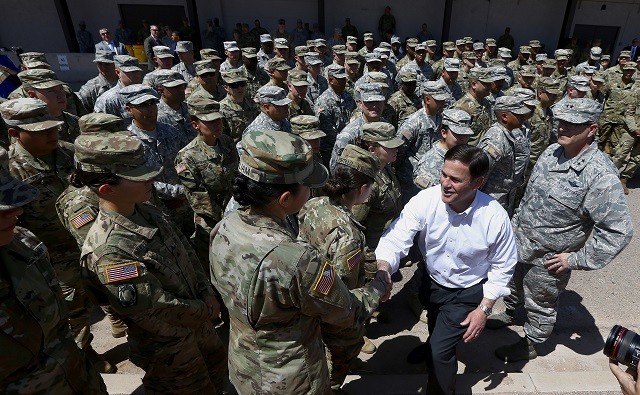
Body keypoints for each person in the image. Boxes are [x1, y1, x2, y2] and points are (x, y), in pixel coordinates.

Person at [209, 129, 390, 394]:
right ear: (285, 199)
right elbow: (346, 312)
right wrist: (378, 286)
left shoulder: (225, 227)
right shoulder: (296, 260)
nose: (313, 189)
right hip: (291, 380)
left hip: (244, 366)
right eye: (306, 185)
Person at [76, 131, 228, 393]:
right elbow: (152, 310)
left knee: (217, 379)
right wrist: (203, 309)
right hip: (170, 348)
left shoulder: (147, 209)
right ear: (107, 189)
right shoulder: (109, 250)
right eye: (137, 176)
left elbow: (186, 252)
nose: (150, 178)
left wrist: (206, 291)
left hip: (198, 322)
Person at [488, 98, 633, 362]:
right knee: (513, 285)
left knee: (540, 301)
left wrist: (576, 259)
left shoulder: (599, 175)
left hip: (549, 259)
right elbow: (529, 196)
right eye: (561, 122)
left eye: (572, 125)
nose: (563, 129)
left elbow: (618, 232)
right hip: (519, 242)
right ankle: (510, 313)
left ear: (592, 129)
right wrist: (512, 227)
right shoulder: (551, 152)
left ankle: (532, 343)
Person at [376, 144, 517, 394]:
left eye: (455, 179)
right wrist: (384, 269)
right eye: (444, 174)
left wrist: (484, 309)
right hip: (431, 283)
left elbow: (503, 266)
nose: (445, 183)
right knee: (434, 325)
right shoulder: (426, 201)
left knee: (442, 353)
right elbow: (396, 238)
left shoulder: (494, 217)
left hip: (467, 291)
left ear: (477, 182)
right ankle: (434, 344)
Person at [2, 97, 113, 373]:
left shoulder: (67, 153)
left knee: (96, 295)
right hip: (52, 256)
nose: (53, 134)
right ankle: (82, 354)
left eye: (53, 127)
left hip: (88, 241)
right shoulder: (10, 171)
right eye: (41, 131)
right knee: (69, 309)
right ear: (14, 133)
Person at [298, 144, 379, 390]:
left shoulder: (315, 203)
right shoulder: (348, 234)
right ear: (363, 189)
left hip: (309, 296)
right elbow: (341, 293)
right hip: (336, 320)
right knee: (336, 364)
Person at [175, 96, 238, 267]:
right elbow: (198, 197)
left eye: (218, 120)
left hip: (236, 210)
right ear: (196, 125)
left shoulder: (227, 142)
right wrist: (225, 218)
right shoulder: (187, 156)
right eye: (210, 122)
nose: (217, 125)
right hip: (211, 220)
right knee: (213, 261)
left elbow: (237, 175)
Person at [477, 96, 530, 215]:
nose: (523, 117)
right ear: (504, 116)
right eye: (518, 114)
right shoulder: (496, 140)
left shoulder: (507, 134)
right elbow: (479, 174)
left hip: (500, 201)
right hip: (487, 204)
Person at [315, 64, 356, 169]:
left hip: (348, 145)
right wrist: (344, 138)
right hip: (330, 147)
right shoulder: (323, 100)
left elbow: (354, 112)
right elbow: (326, 128)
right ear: (331, 80)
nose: (343, 82)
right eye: (340, 79)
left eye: (344, 79)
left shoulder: (347, 96)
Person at [93, 55, 143, 124]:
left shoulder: (147, 93)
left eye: (137, 71)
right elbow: (100, 127)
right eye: (130, 72)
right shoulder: (107, 100)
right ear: (118, 72)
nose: (136, 75)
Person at [220, 68, 259, 142]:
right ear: (226, 88)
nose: (239, 88)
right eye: (234, 85)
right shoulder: (222, 108)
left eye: (242, 84)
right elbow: (223, 136)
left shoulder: (251, 103)